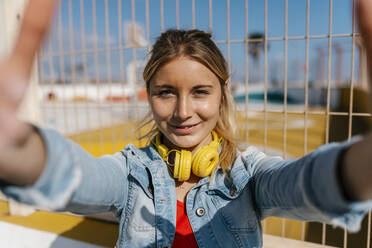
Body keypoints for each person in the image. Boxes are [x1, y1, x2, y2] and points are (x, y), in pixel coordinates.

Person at [0, 0, 372, 247]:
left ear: (223, 94)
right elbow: (74, 178)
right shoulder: (132, 174)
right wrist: (14, 150)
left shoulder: (246, 175)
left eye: (199, 91)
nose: (182, 111)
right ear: (148, 94)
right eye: (165, 92)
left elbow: (307, 185)